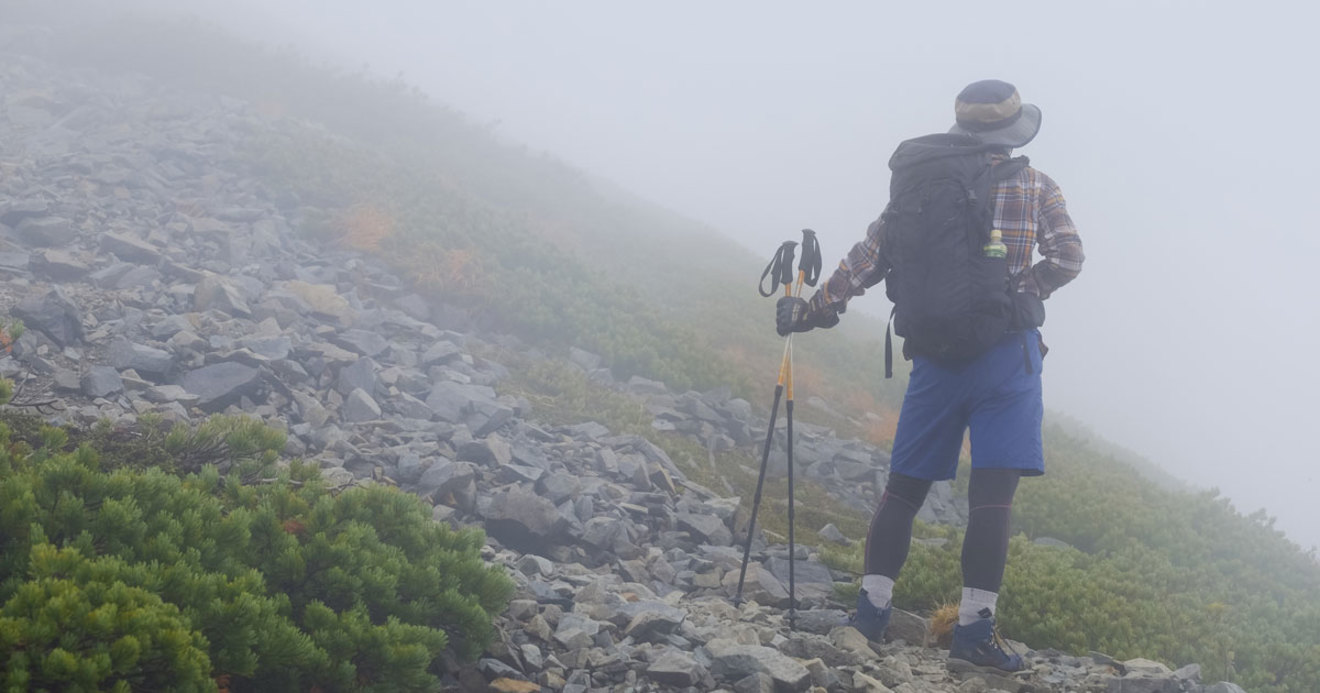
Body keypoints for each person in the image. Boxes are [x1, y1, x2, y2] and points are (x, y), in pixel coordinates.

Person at [776, 79, 1084, 672]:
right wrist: (1022, 292)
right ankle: (973, 634)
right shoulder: (1035, 184)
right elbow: (1069, 256)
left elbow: (865, 261)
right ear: (1010, 130)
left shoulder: (918, 184)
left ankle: (869, 613)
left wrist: (814, 311)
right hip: (1005, 359)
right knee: (992, 497)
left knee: (904, 488)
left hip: (936, 359)